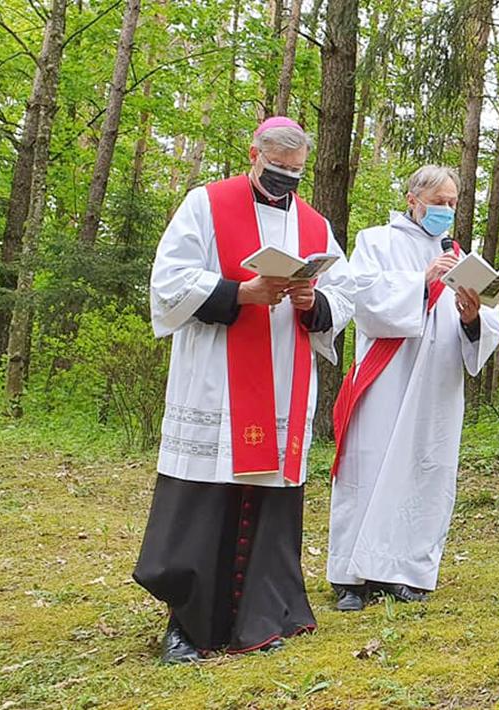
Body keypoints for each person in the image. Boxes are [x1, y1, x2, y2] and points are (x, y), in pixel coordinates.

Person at [133, 117, 356, 664]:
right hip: (217, 379)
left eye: (294, 173)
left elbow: (343, 291)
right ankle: (188, 625)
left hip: (283, 379)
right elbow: (168, 280)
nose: (285, 180)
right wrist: (242, 291)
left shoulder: (313, 224)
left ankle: (263, 616)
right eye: (276, 169)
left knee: (272, 500)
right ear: (253, 153)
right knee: (206, 497)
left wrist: (314, 304)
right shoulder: (206, 205)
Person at [325, 165, 499, 611]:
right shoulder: (376, 241)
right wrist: (422, 283)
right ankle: (351, 577)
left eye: (452, 203)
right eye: (438, 202)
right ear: (413, 199)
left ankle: (405, 571)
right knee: (369, 467)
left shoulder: (461, 255)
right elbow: (361, 297)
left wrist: (470, 314)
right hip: (387, 374)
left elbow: (486, 324)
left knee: (425, 471)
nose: (445, 210)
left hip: (436, 382)